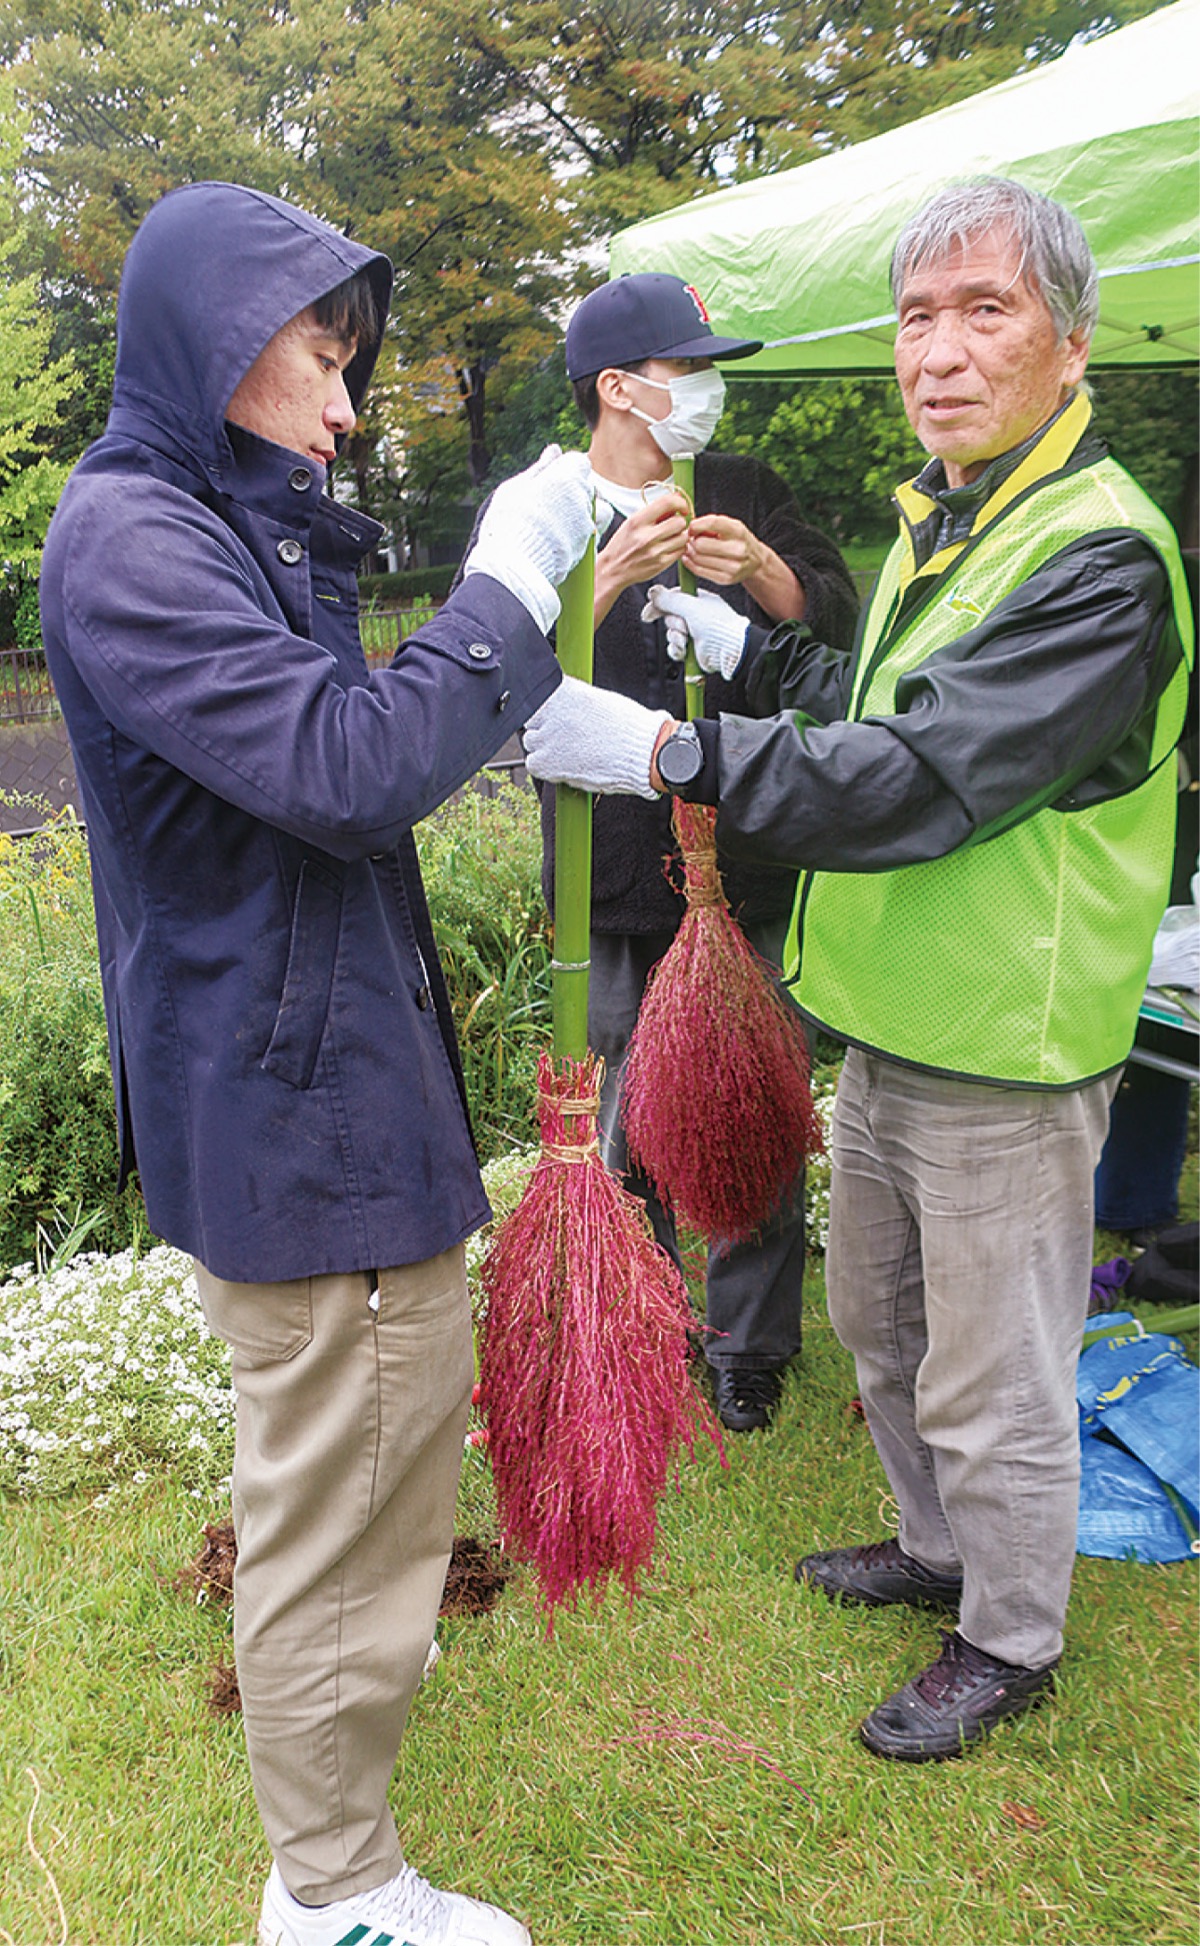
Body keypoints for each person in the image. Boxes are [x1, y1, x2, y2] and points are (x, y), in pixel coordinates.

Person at [521, 178, 1194, 1761]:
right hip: (889, 1023)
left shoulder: (1099, 559)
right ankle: (934, 1544)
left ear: (1072, 344)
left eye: (986, 311)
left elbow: (919, 767)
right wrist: (754, 644)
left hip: (1007, 1045)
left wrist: (675, 739)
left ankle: (1009, 1630)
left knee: (994, 1370)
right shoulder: (941, 518)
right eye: (916, 316)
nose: (940, 352)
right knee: (884, 1324)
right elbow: (865, 684)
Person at [40, 181, 595, 1946]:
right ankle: (338, 1893)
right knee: (343, 1525)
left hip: (323, 1091)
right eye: (319, 355)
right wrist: (511, 580)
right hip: (303, 1122)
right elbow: (348, 769)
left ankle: (334, 1867)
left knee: (361, 1498)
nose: (347, 409)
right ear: (216, 346)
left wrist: (537, 698)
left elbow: (347, 767)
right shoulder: (135, 538)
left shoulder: (220, 523)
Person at [468, 272, 858, 1432]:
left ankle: (747, 1342)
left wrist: (764, 578)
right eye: (691, 367)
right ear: (622, 387)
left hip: (746, 872)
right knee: (625, 1116)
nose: (709, 388)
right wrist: (614, 578)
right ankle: (642, 1320)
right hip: (609, 877)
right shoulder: (545, 507)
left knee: (750, 1107)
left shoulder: (741, 490)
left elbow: (842, 632)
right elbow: (485, 678)